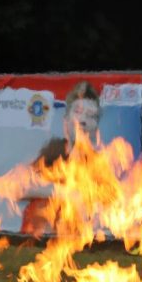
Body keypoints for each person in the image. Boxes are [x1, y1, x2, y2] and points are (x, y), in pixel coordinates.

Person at [20, 81, 102, 235]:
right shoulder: (52, 152)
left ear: (96, 127)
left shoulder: (103, 164)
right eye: (78, 112)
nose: (83, 120)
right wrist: (64, 193)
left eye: (91, 116)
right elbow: (21, 187)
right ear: (66, 121)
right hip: (39, 239)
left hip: (79, 238)